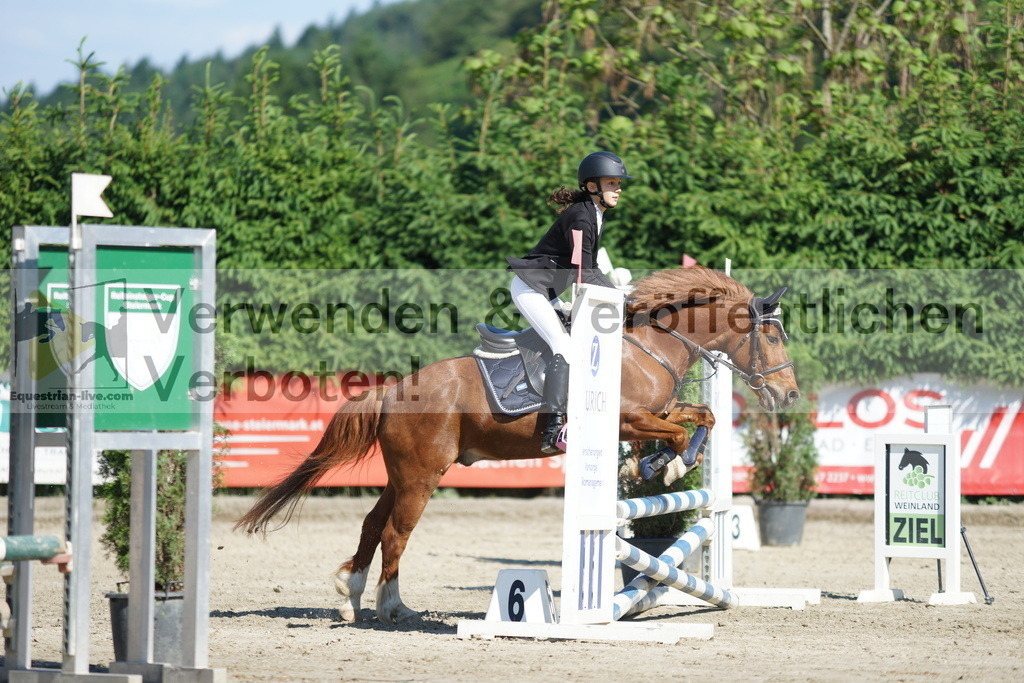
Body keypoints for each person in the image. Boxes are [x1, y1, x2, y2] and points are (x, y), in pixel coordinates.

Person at [505, 151, 632, 454]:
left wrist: (624, 296)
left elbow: (592, 269)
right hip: (530, 288)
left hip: (547, 291)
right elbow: (583, 275)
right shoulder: (580, 217)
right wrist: (623, 300)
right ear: (592, 187)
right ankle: (553, 429)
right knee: (564, 347)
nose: (618, 189)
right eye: (612, 183)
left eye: (619, 184)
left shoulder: (594, 214)